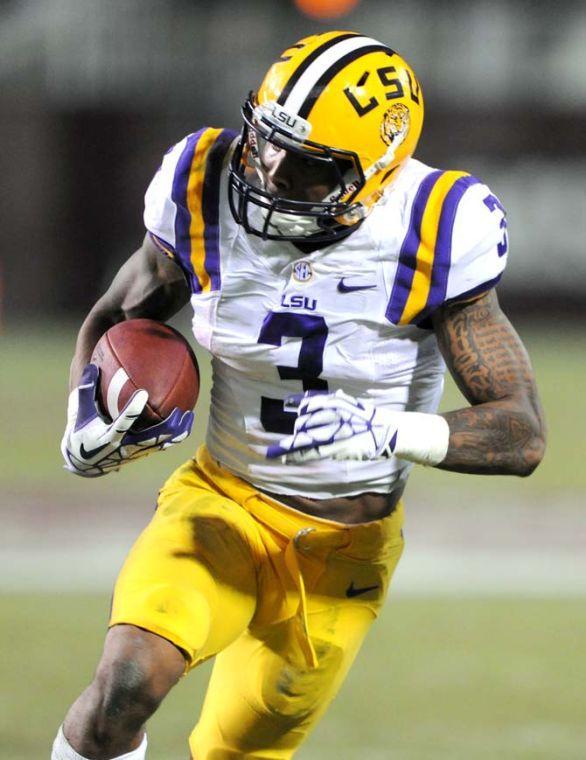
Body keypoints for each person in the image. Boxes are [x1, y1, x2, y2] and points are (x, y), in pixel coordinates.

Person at [53, 30, 545, 760]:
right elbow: (122, 313)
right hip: (221, 502)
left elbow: (521, 435)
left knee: (234, 752)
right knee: (123, 685)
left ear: (373, 174)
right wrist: (85, 409)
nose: (270, 170)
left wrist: (386, 430)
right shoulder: (203, 180)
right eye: (267, 141)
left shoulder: (436, 226)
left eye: (307, 164)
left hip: (342, 551)